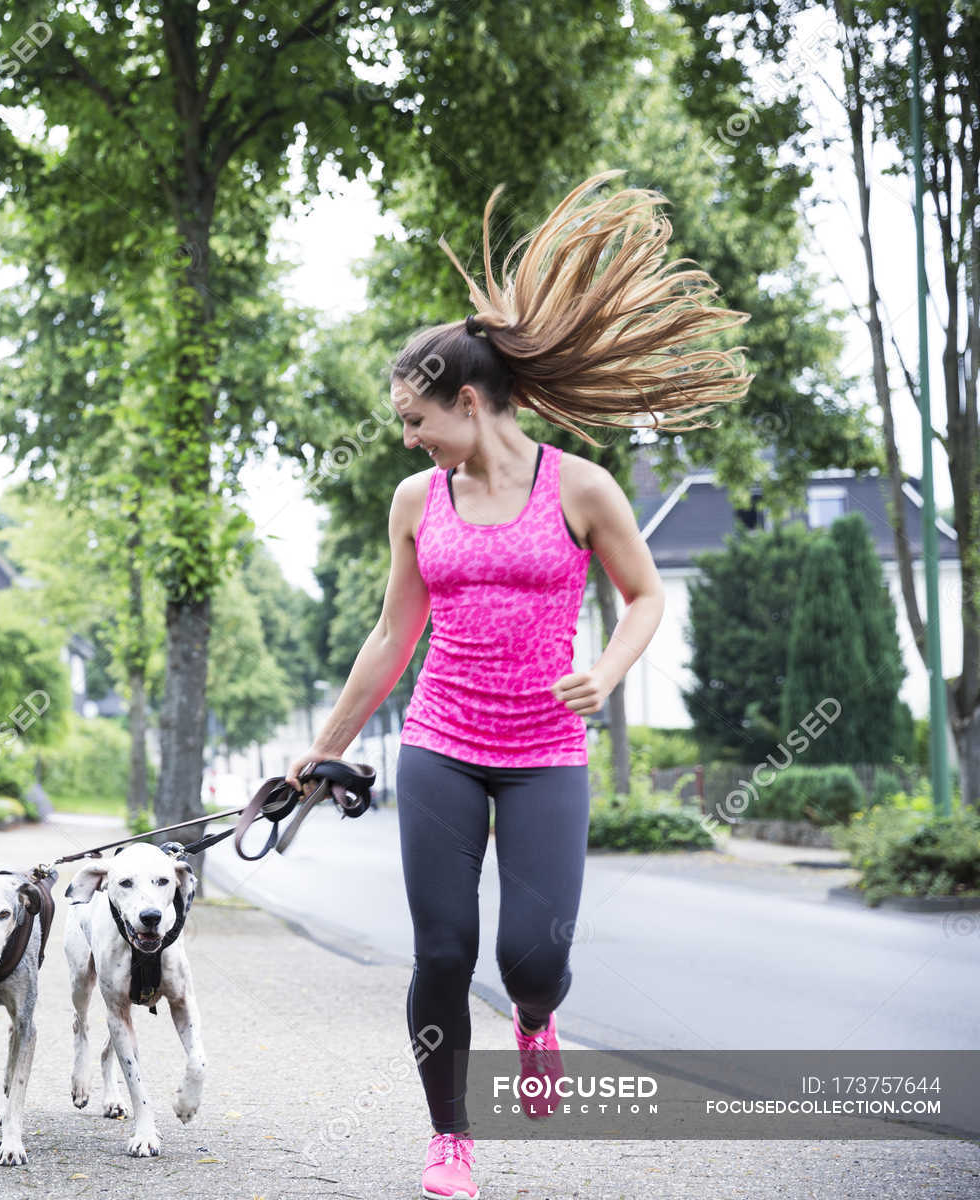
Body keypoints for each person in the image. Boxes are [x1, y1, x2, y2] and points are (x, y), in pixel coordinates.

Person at [286, 170, 751, 1200]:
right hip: (443, 741)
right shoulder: (417, 501)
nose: (405, 439)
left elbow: (642, 599)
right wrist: (322, 751)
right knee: (444, 949)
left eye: (414, 418)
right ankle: (450, 1136)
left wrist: (607, 673)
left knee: (531, 955)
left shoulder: (580, 488)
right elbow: (391, 635)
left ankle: (538, 1019)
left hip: (546, 751)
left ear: (465, 400)